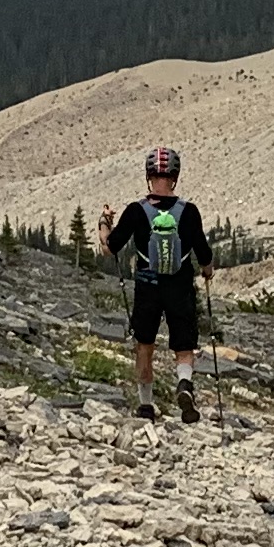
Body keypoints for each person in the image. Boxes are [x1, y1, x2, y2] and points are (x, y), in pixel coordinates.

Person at [100, 145, 216, 424]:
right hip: (179, 287)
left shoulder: (136, 211)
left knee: (144, 344)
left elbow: (109, 248)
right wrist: (207, 271)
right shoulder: (189, 211)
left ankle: (145, 406)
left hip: (147, 286)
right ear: (175, 177)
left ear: (148, 177)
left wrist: (104, 221)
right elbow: (204, 254)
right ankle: (184, 384)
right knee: (183, 346)